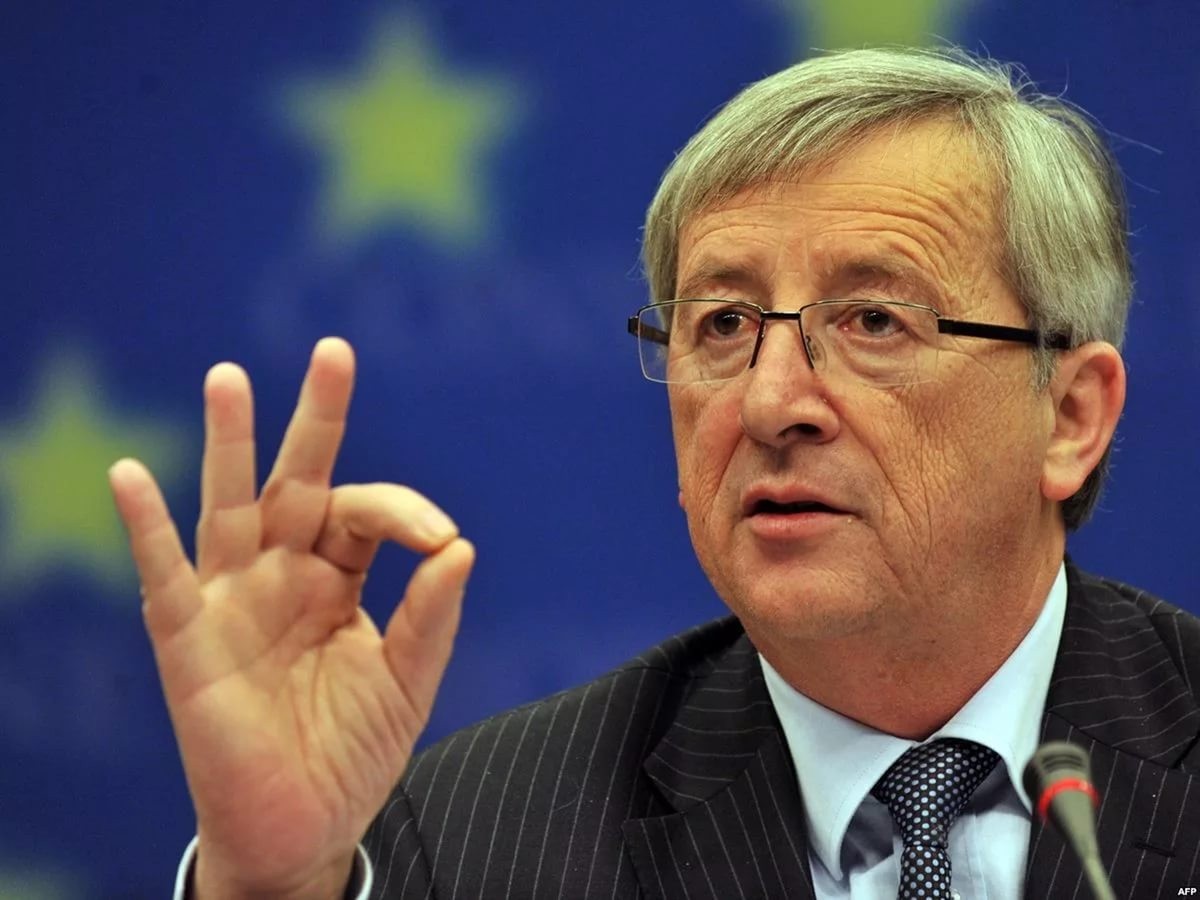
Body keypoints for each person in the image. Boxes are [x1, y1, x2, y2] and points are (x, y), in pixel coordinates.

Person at [109, 46, 1200, 899]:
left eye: (874, 320)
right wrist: (270, 888)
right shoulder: (473, 836)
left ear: (1070, 416)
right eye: (722, 324)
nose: (770, 402)